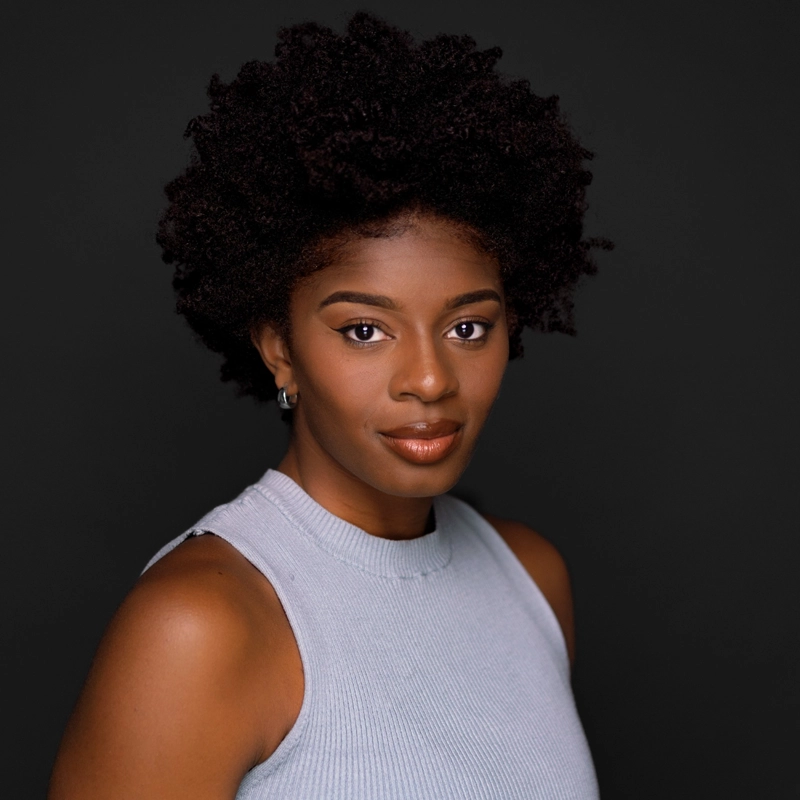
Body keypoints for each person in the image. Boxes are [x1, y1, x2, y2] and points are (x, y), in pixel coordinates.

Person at [49, 12, 609, 799]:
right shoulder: (201, 625)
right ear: (279, 347)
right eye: (365, 330)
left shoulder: (530, 578)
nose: (429, 379)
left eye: (468, 326)